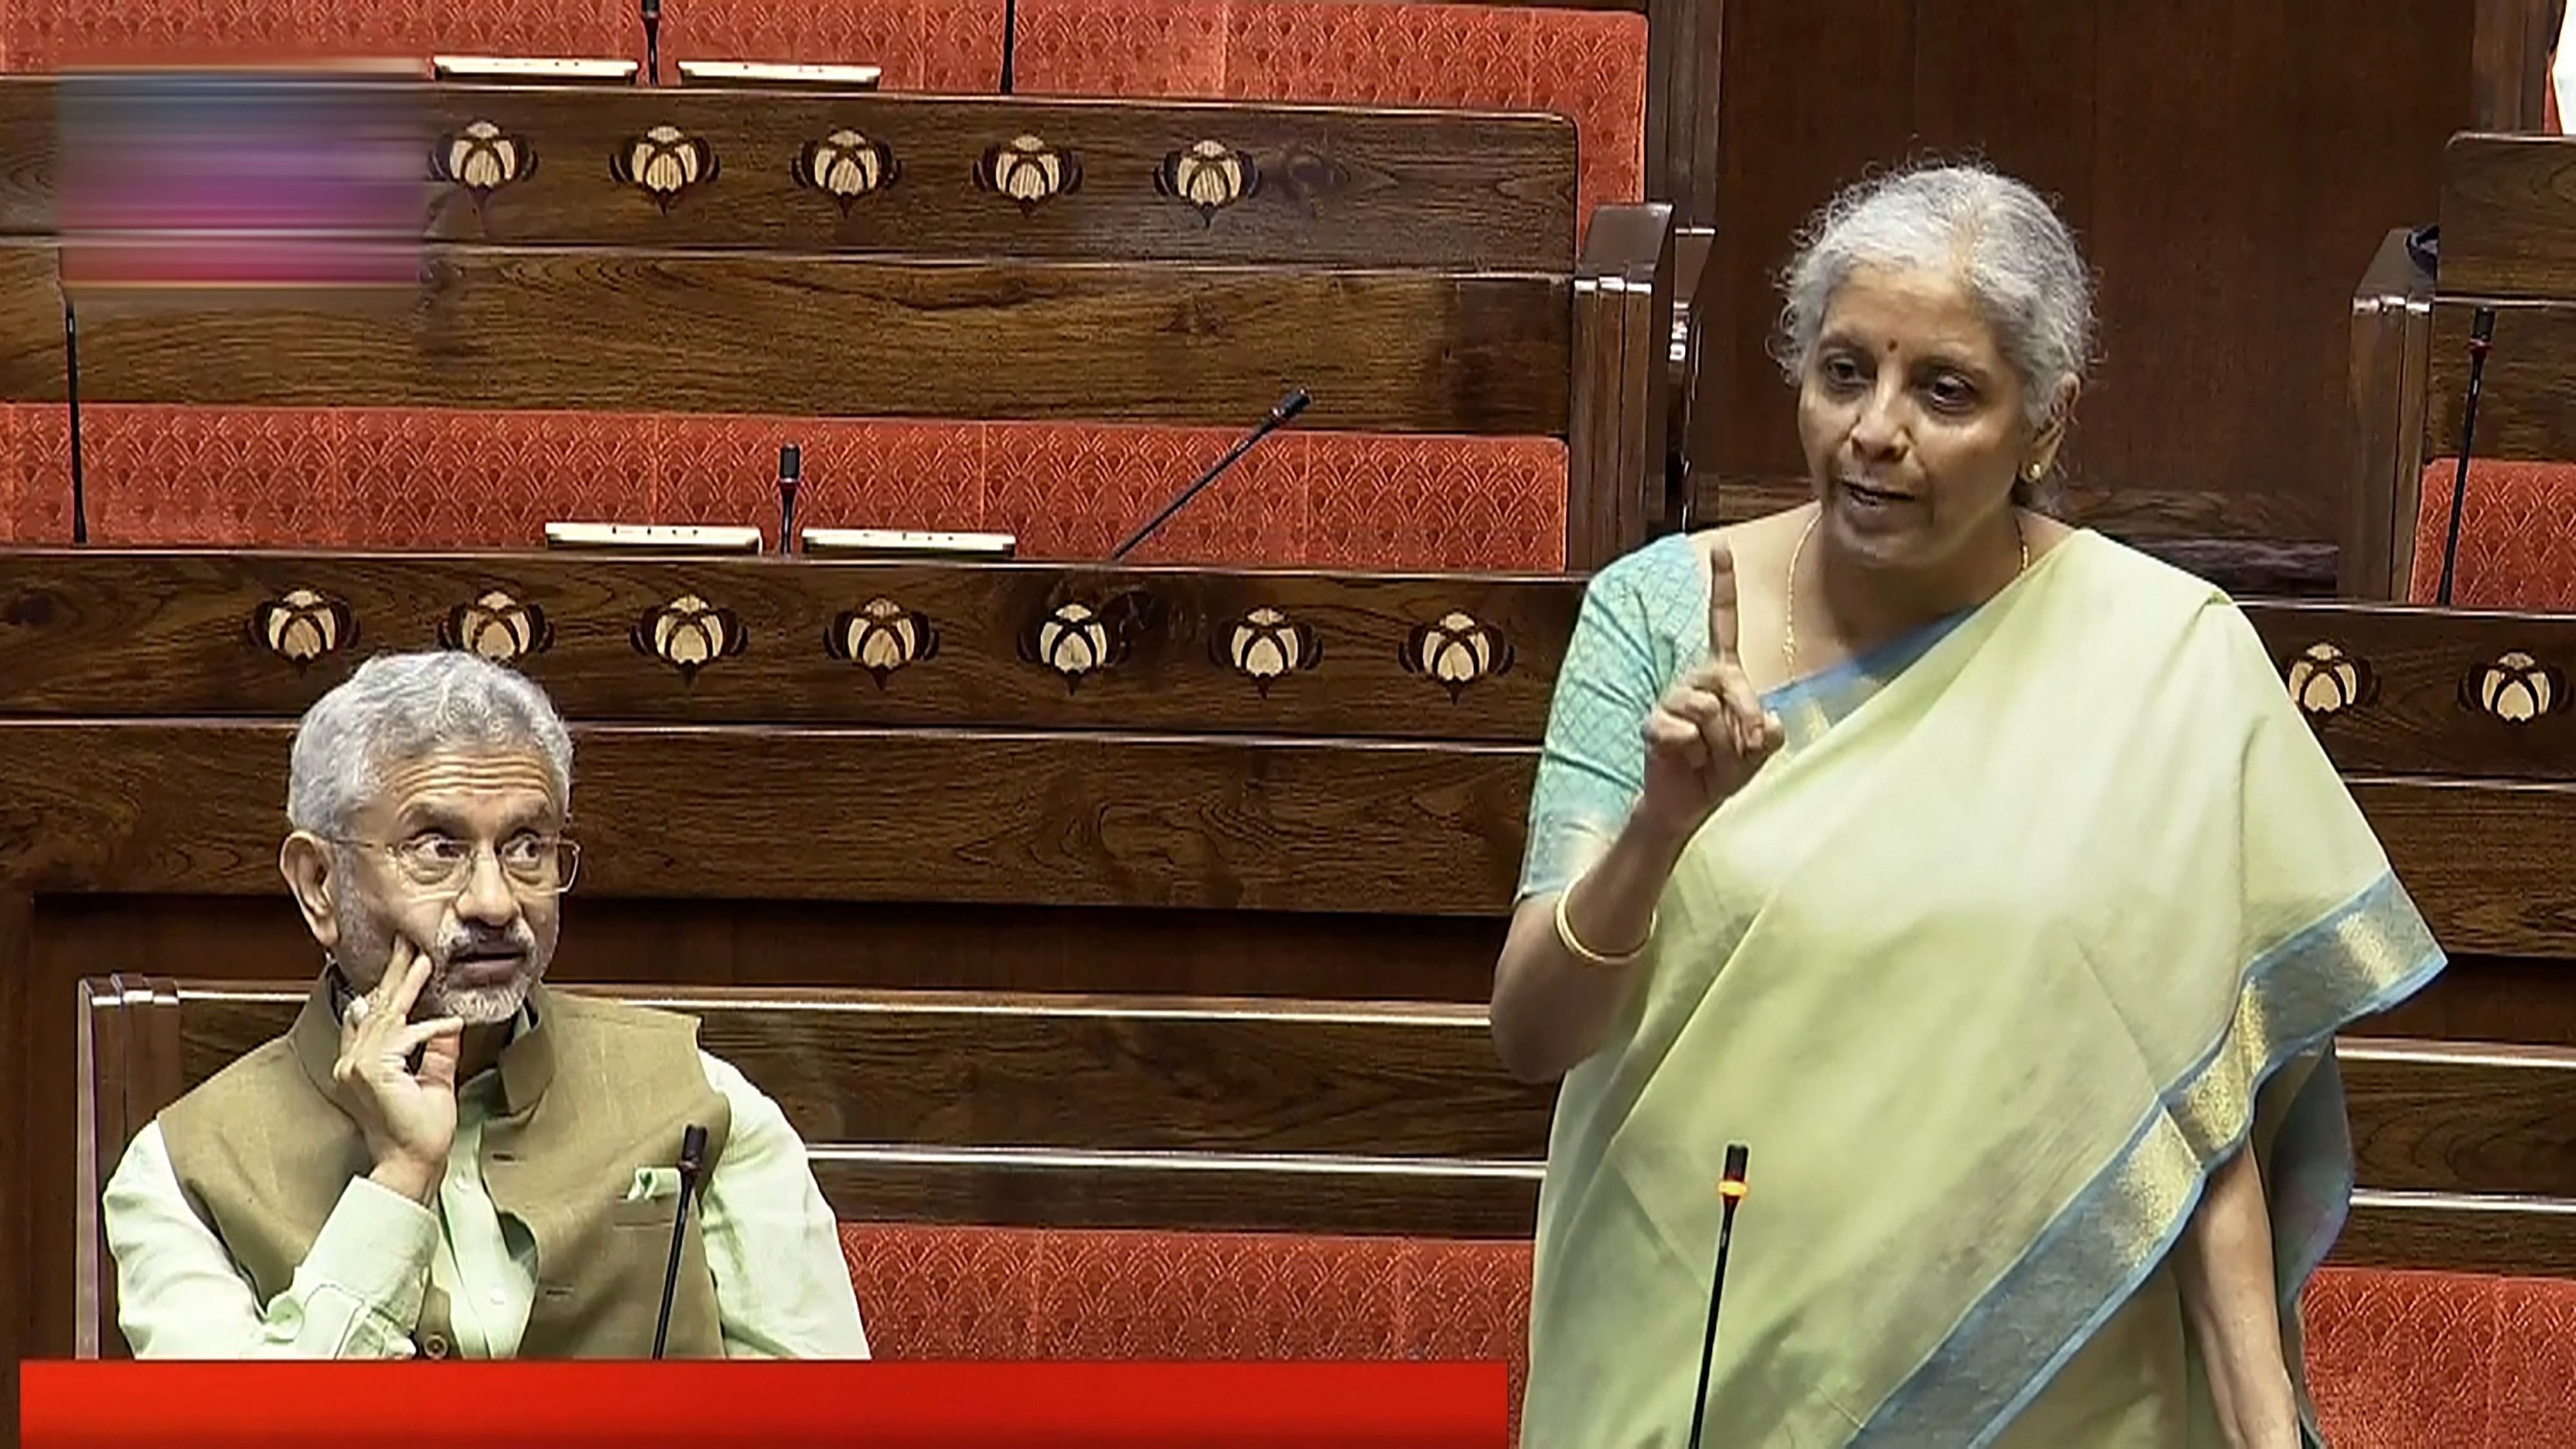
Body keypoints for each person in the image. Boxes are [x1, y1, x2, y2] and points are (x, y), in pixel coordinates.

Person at [1493, 164, 2444, 1448]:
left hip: (2048, 1391)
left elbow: (2200, 1090)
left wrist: (2266, 1422)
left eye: (1944, 390)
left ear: (2046, 422)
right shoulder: (1656, 617)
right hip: (1696, 1357)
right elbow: (1532, 1031)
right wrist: (1661, 826)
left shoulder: (2165, 659)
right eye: (1843, 372)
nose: (1876, 430)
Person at [102, 651, 870, 1360]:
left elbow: (831, 1421)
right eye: (437, 847)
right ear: (318, 884)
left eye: (527, 845)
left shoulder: (707, 1103)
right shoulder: (180, 1172)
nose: (496, 901)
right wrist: (399, 1178)